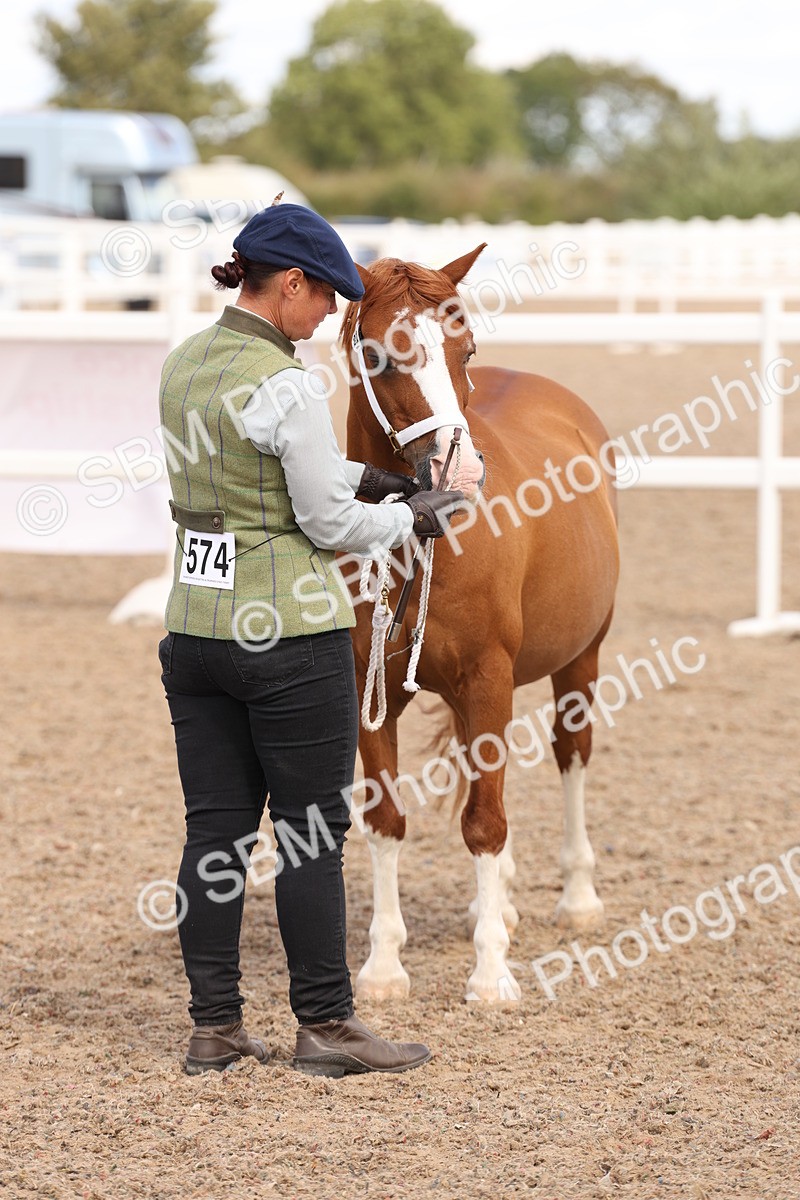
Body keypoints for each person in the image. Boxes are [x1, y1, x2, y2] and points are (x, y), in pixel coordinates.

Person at [157, 199, 462, 1078]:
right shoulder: (288, 381)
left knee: (214, 833)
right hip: (288, 635)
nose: (330, 312)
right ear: (288, 283)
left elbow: (241, 462)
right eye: (323, 295)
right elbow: (327, 520)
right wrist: (409, 513)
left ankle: (213, 1028)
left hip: (196, 630)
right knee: (310, 834)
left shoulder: (183, 363)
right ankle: (326, 1026)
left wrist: (366, 471)